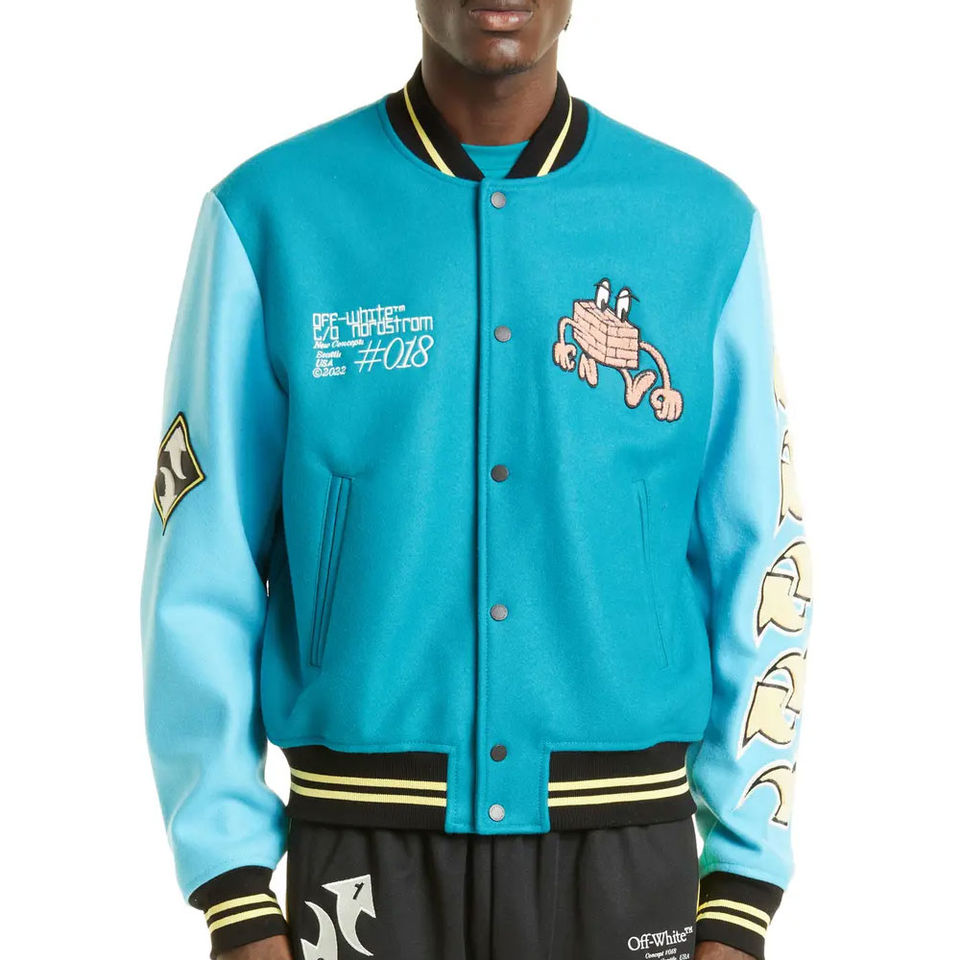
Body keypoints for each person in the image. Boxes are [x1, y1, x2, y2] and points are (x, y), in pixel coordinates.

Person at [141, 2, 811, 959]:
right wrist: (232, 887)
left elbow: (763, 556)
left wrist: (743, 884)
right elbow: (198, 559)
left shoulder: (702, 227)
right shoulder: (272, 217)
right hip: (362, 852)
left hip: (627, 855)